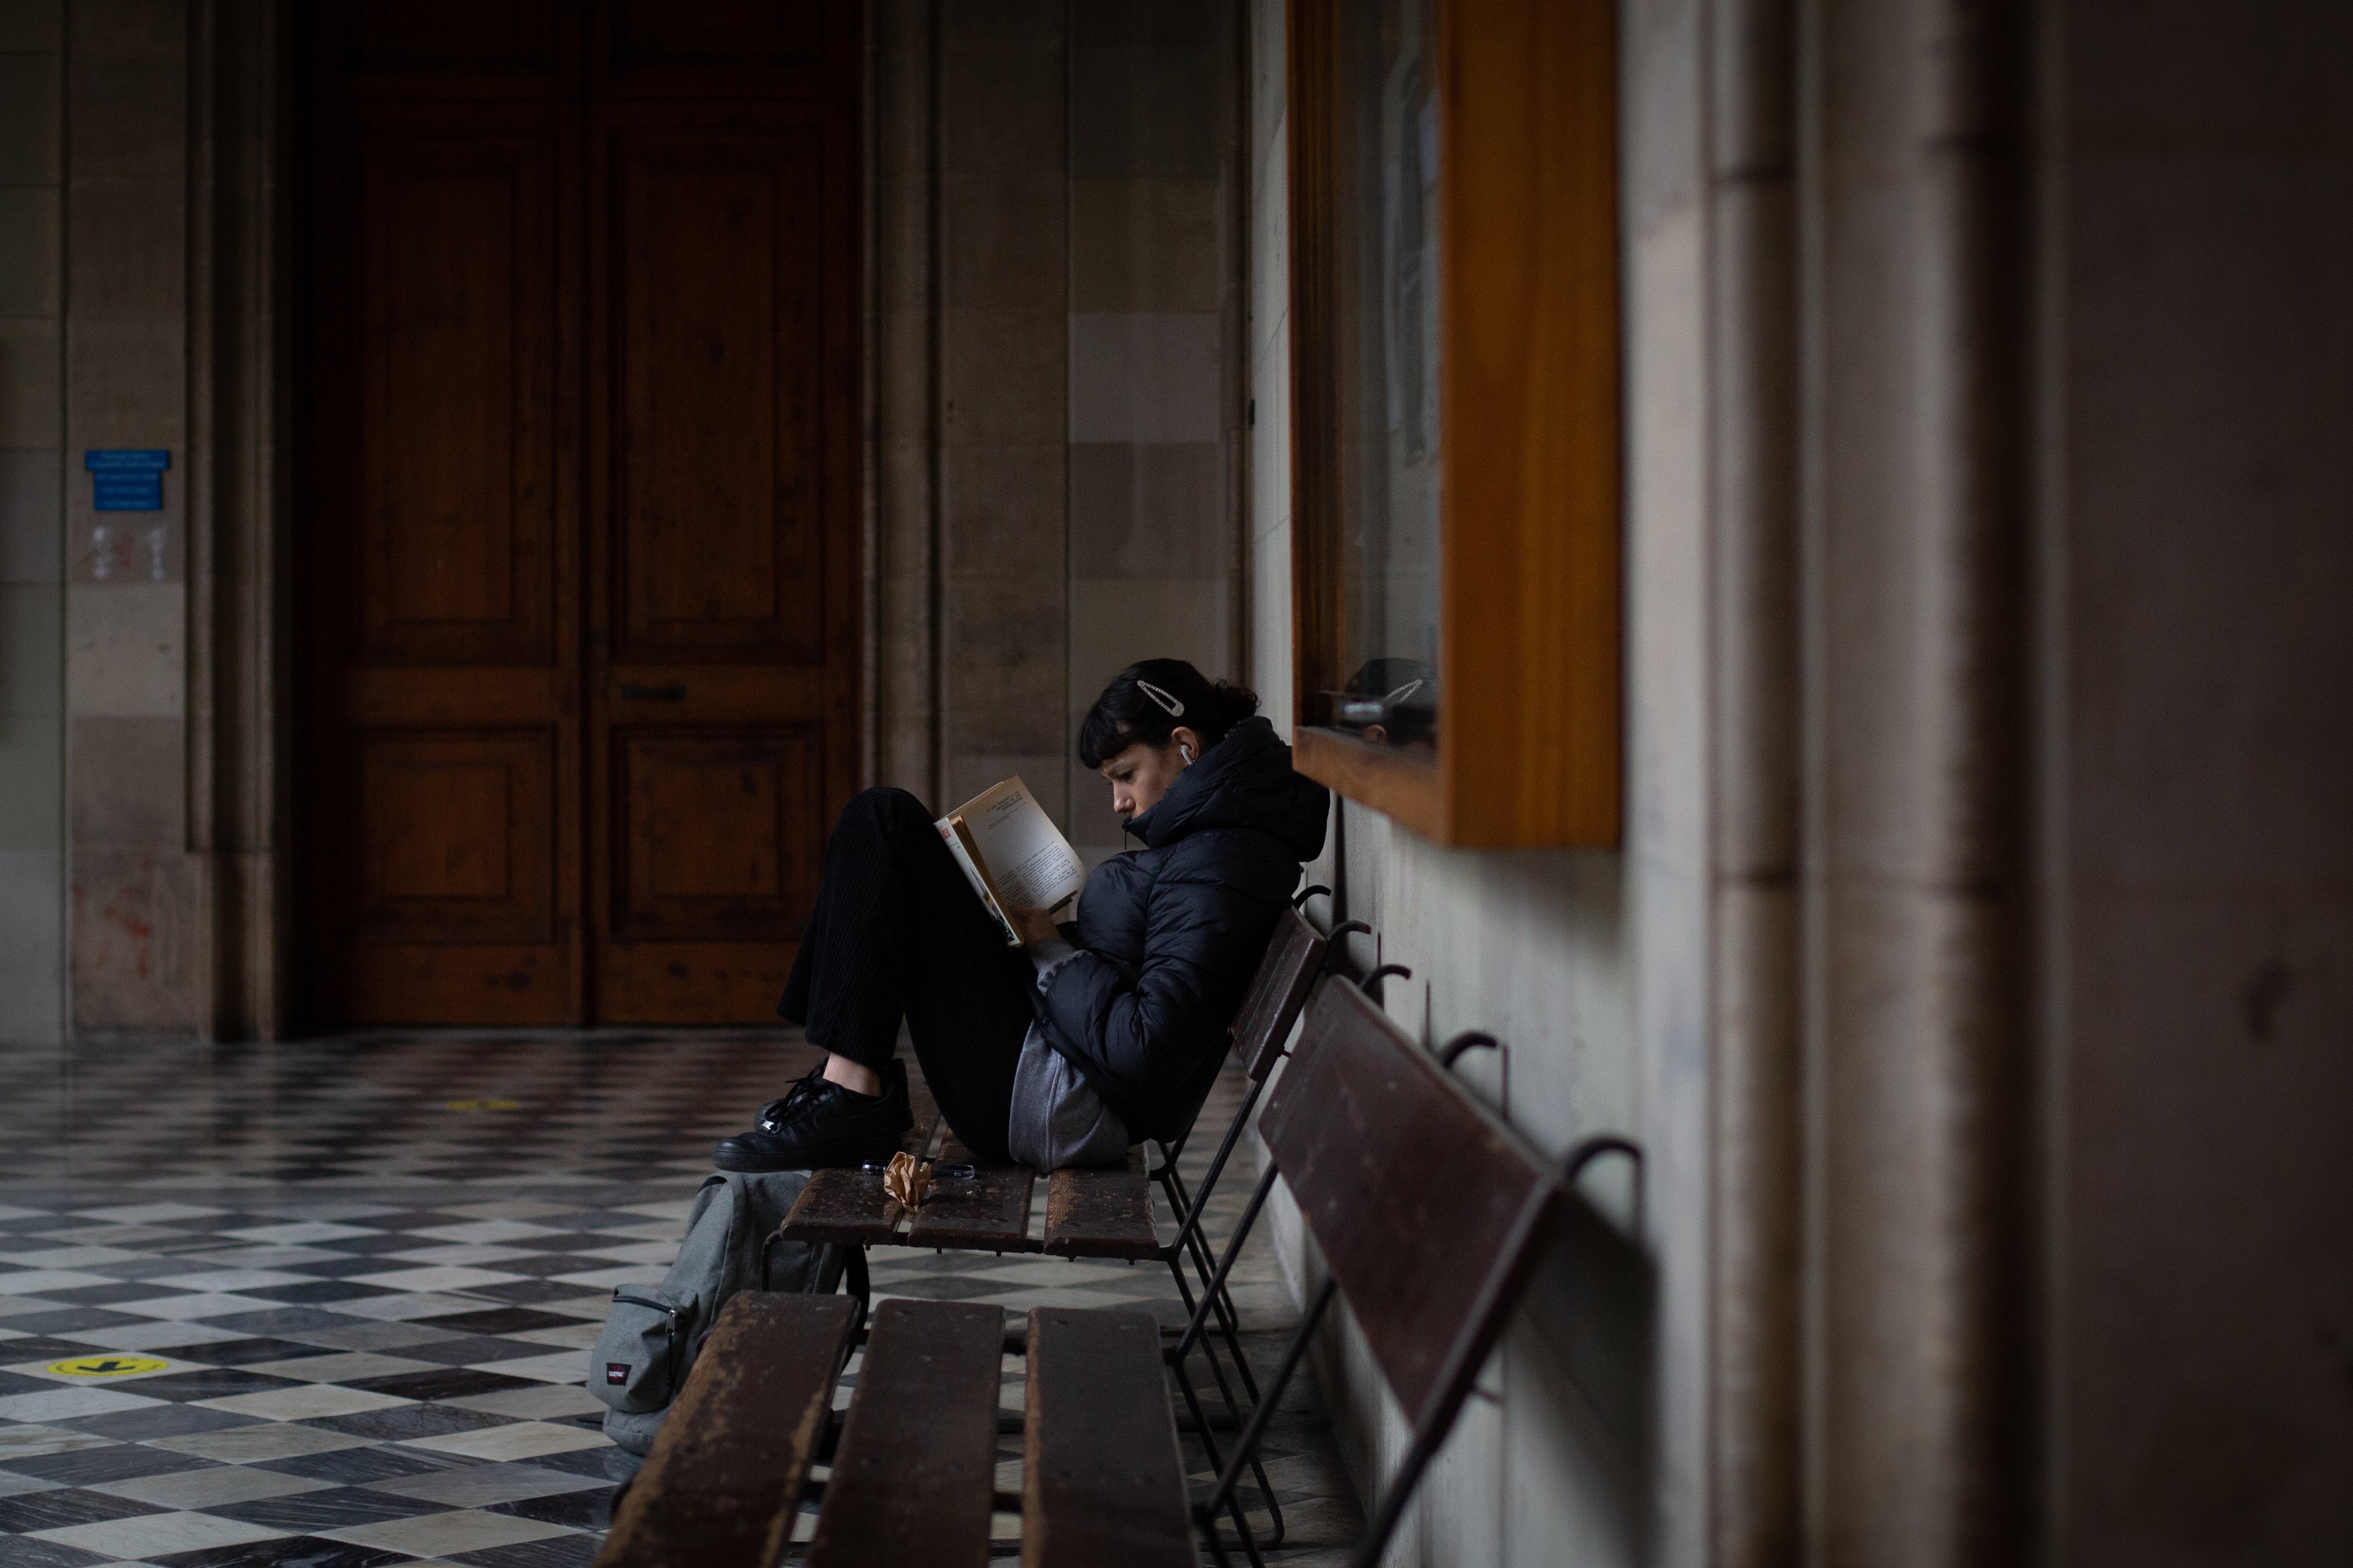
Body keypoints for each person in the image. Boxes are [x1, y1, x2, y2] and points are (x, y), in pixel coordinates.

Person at [713, 659, 1331, 1172]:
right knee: (888, 832)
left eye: (1125, 775)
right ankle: (844, 1082)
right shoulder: (1220, 841)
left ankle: (850, 1092)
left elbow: (1146, 1047)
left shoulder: (1219, 862)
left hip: (1052, 1098)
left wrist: (1050, 949)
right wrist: (1036, 940)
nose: (1119, 801)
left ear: (1185, 746)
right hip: (1053, 1054)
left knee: (884, 822)